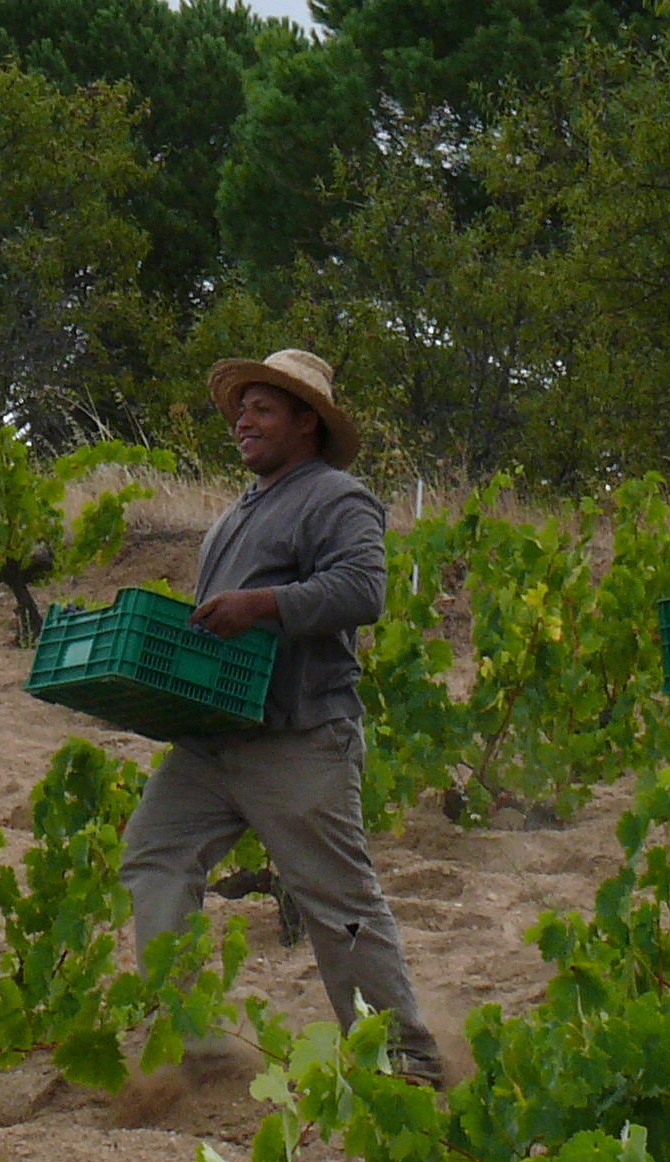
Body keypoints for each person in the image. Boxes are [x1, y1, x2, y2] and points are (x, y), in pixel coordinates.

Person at [117, 347, 445, 1084]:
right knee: (153, 855)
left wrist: (261, 607)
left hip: (299, 735)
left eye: (263, 408)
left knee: (336, 899)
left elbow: (364, 590)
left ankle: (407, 1061)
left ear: (308, 424)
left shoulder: (337, 496)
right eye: (242, 409)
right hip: (214, 739)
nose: (244, 420)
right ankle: (191, 1043)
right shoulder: (236, 514)